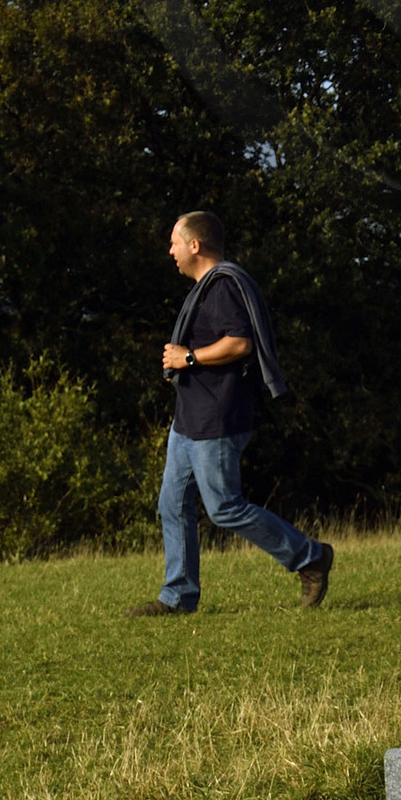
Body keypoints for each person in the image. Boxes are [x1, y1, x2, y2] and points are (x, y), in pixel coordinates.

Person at [126, 211, 334, 615]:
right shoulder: (205, 288)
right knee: (172, 504)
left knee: (223, 507)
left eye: (174, 242)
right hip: (189, 419)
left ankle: (310, 557)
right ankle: (177, 597)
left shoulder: (222, 287)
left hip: (215, 419)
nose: (169, 250)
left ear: (195, 245)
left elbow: (239, 343)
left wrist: (188, 357)